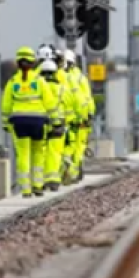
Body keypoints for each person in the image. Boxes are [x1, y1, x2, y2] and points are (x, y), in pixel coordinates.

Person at [2, 47, 57, 197]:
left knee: (23, 155)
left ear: (18, 63)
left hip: (19, 123)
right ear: (33, 63)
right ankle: (38, 185)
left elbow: (6, 106)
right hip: (38, 122)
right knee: (39, 153)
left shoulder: (12, 82)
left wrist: (6, 124)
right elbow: (50, 103)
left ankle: (26, 190)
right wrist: (55, 121)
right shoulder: (40, 81)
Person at [40, 59, 78, 191]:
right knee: (55, 153)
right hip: (58, 124)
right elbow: (70, 107)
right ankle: (53, 180)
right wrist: (69, 122)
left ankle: (40, 181)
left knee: (41, 152)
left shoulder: (38, 87)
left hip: (41, 124)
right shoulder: (63, 89)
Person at [63, 49, 95, 183]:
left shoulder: (59, 76)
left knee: (65, 146)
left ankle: (65, 171)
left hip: (63, 118)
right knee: (79, 145)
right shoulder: (80, 77)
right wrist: (90, 114)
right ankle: (73, 172)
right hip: (81, 117)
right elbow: (87, 98)